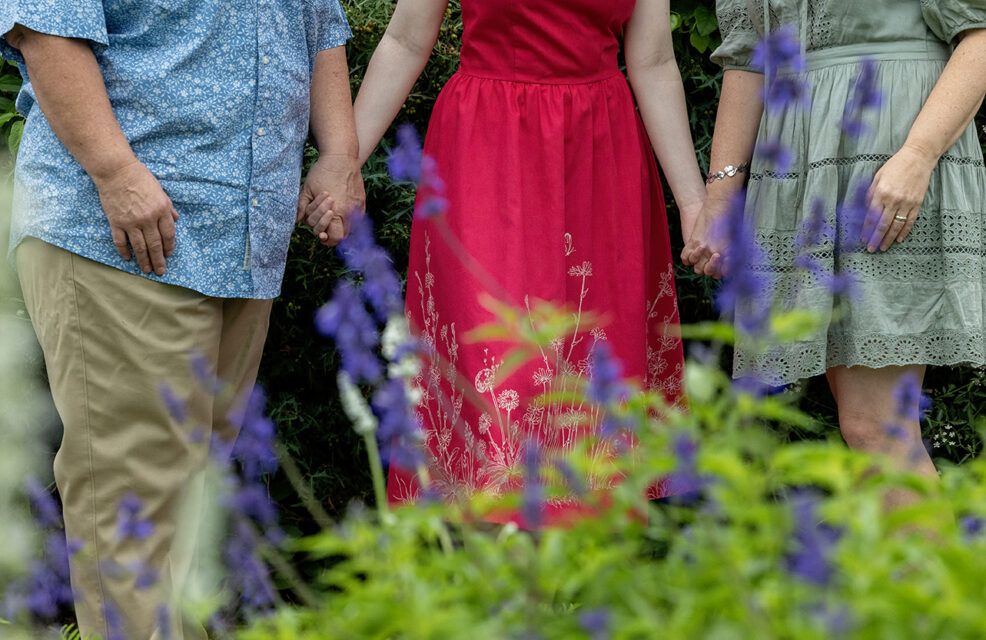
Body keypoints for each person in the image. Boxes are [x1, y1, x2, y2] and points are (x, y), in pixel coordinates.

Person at [1, 1, 362, 636]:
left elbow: (319, 23)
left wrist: (339, 150)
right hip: (119, 230)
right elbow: (42, 23)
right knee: (133, 497)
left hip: (242, 239)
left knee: (197, 498)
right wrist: (117, 173)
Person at [336, 0, 706, 522]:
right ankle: (502, 584)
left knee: (592, 388)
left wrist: (693, 203)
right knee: (499, 375)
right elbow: (406, 40)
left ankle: (575, 591)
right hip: (487, 156)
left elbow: (654, 62)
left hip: (598, 163)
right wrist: (342, 165)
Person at [683, 0, 986, 506]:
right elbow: (749, 57)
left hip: (886, 164)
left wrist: (917, 155)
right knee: (869, 427)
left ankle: (944, 585)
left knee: (876, 428)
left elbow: (979, 34)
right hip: (802, 170)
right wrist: (719, 198)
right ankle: (915, 583)